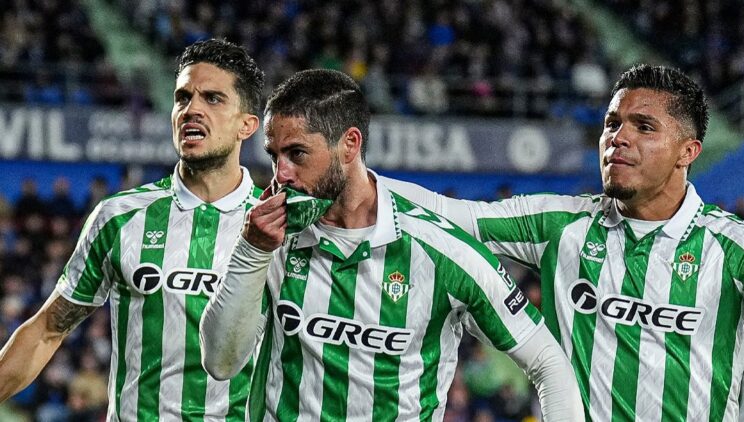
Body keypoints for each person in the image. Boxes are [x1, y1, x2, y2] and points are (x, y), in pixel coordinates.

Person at [199, 68, 585, 421]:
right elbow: (219, 362)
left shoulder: (441, 250)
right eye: (274, 155)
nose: (281, 173)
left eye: (296, 153)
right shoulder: (266, 237)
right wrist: (252, 251)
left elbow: (548, 361)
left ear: (350, 144)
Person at [385, 64, 744, 420]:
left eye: (644, 127)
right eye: (612, 124)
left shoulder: (735, 249)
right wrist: (357, 179)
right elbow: (445, 212)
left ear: (688, 151)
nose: (619, 137)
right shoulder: (561, 225)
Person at [0, 38, 265, 421]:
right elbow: (47, 331)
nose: (191, 110)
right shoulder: (120, 217)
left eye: (213, 98)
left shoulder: (279, 229)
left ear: (247, 125)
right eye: (182, 98)